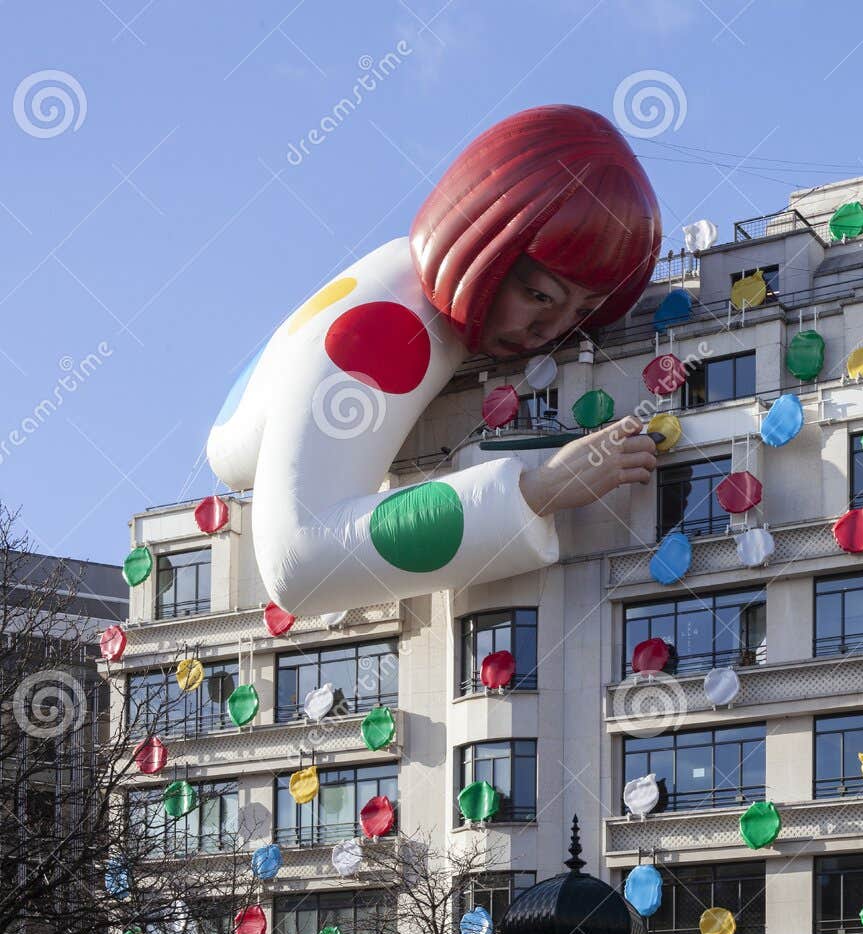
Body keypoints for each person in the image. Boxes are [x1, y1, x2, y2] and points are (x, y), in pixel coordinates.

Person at [205, 105, 661, 616]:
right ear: (487, 253)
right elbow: (299, 561)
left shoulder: (399, 283)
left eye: (582, 311)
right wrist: (539, 489)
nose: (551, 332)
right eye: (539, 296)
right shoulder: (386, 332)